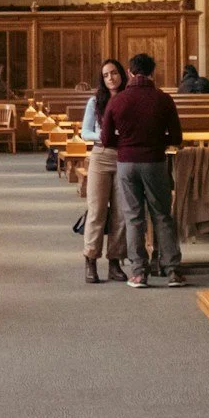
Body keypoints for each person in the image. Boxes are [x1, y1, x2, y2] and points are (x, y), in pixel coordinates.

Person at [98, 53, 185, 289]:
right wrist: (155, 141)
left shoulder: (117, 101)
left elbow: (105, 139)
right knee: (162, 216)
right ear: (152, 72)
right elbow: (176, 137)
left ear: (129, 72)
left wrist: (126, 144)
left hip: (127, 164)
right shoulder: (164, 99)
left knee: (133, 217)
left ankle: (138, 273)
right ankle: (173, 271)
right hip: (155, 162)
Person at [78, 59, 128, 283]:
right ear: (102, 78)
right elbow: (85, 132)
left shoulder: (128, 99)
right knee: (97, 210)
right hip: (101, 154)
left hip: (125, 156)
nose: (111, 78)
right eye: (106, 75)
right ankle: (90, 260)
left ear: (121, 75)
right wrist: (105, 136)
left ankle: (115, 262)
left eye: (114, 73)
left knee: (121, 213)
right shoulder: (95, 102)